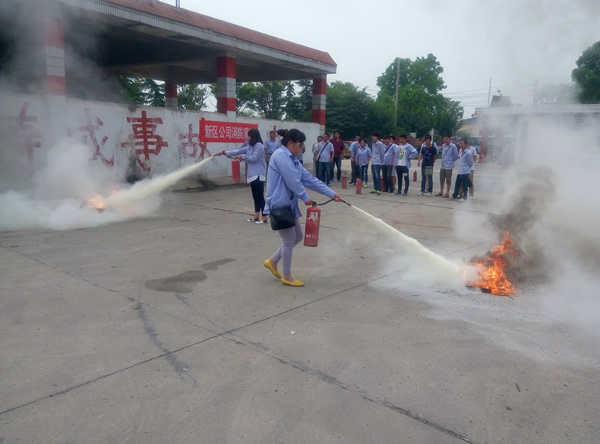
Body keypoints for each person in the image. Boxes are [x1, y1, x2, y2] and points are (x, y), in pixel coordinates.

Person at [263, 129, 342, 287]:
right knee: (289, 240)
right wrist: (305, 197)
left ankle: (273, 261)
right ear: (291, 142)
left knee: (297, 236)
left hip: (288, 204)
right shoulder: (280, 155)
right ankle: (287, 275)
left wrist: (331, 194)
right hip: (279, 204)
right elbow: (292, 180)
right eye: (300, 144)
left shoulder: (293, 160)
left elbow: (309, 179)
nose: (302, 148)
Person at [215, 128, 268, 224]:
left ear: (252, 136)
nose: (247, 137)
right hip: (252, 175)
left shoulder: (259, 146)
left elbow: (254, 158)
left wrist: (242, 157)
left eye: (248, 136)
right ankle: (256, 216)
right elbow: (237, 151)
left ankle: (264, 217)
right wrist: (224, 152)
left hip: (259, 175)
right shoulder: (249, 147)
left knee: (260, 196)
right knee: (255, 196)